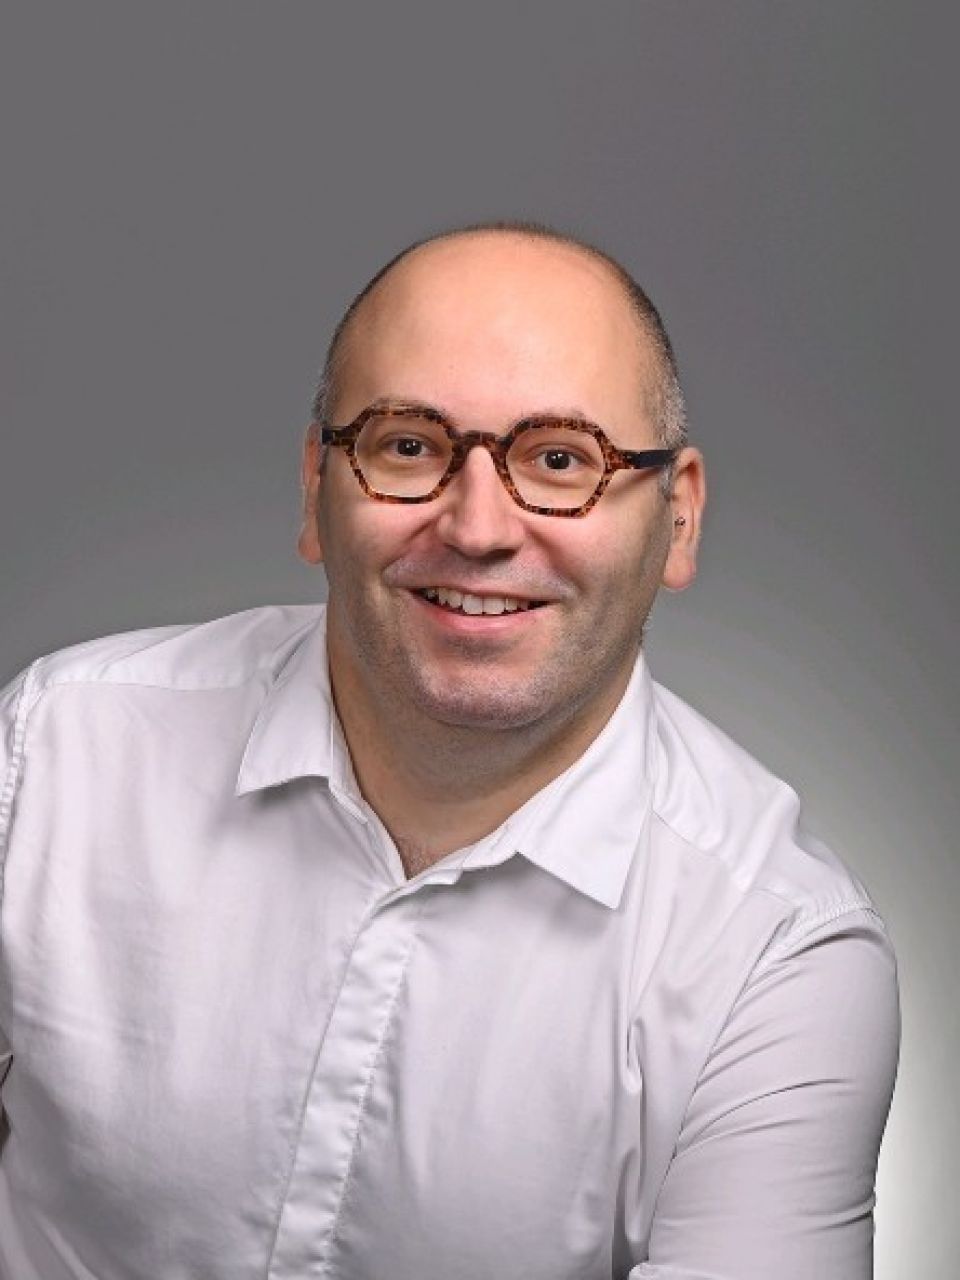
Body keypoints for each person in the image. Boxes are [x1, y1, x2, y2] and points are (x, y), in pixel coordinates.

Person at [0, 221, 899, 1280]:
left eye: (560, 460)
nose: (477, 528)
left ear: (680, 517)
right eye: (409, 447)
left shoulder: (777, 960)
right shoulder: (51, 756)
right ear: (314, 489)